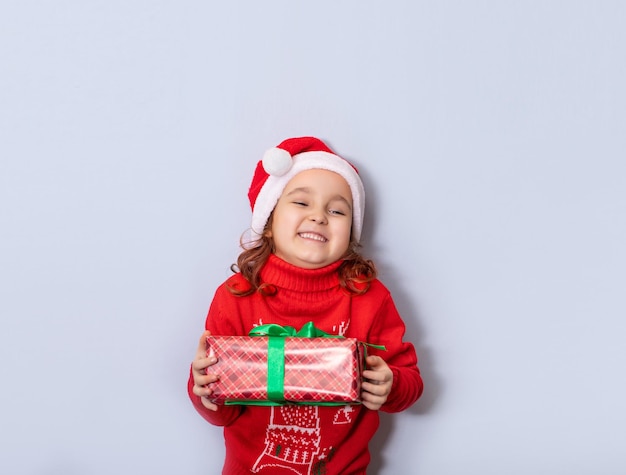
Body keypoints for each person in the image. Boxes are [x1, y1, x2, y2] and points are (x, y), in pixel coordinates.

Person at [188, 136, 423, 475]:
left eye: (337, 210)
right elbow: (221, 412)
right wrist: (203, 389)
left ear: (351, 231)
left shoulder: (370, 298)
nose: (319, 217)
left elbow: (411, 382)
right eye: (301, 203)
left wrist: (392, 385)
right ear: (269, 221)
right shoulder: (236, 295)